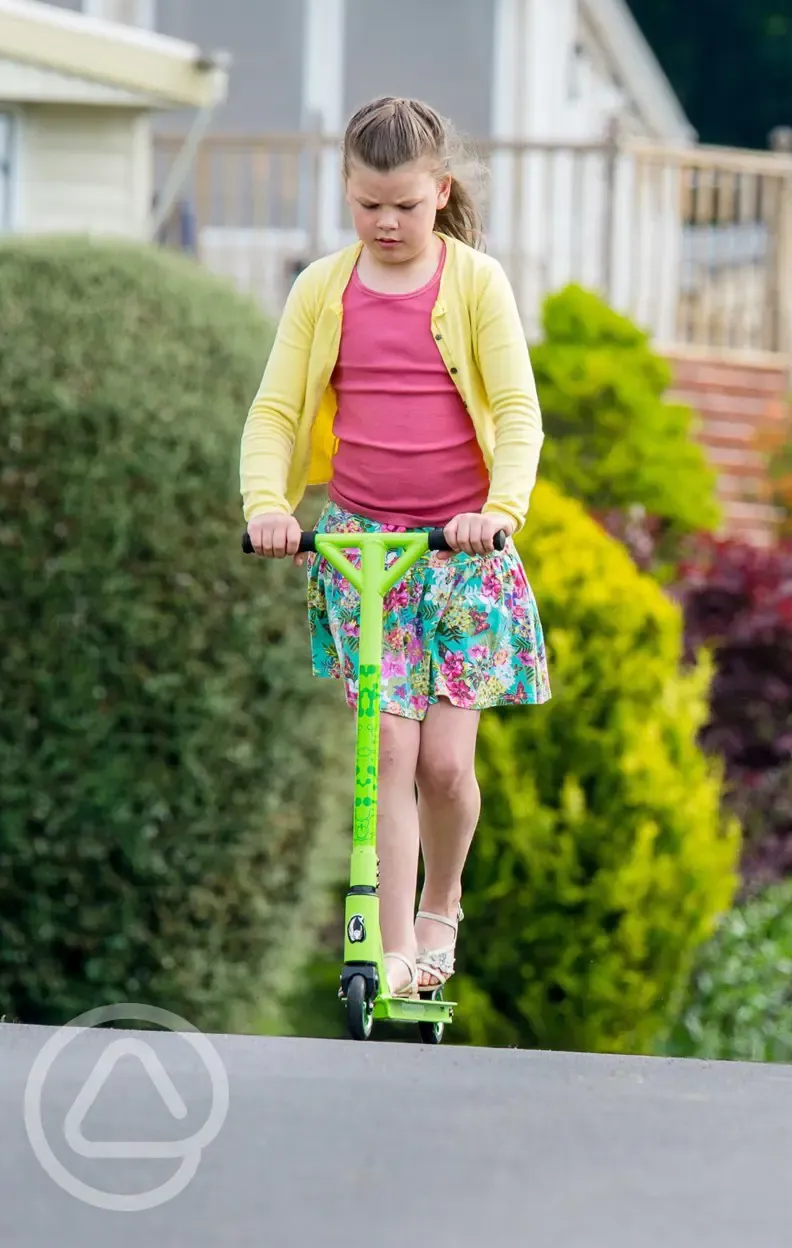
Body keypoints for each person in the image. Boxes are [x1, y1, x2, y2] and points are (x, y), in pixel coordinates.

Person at [241, 96, 548, 1001]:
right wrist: (269, 504)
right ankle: (390, 944)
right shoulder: (321, 290)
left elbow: (518, 409)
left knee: (449, 764)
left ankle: (441, 907)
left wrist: (500, 508)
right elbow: (278, 411)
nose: (386, 222)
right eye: (369, 203)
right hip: (362, 554)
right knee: (391, 754)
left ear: (439, 192)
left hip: (460, 555)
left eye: (406, 206)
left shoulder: (476, 283)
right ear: (347, 190)